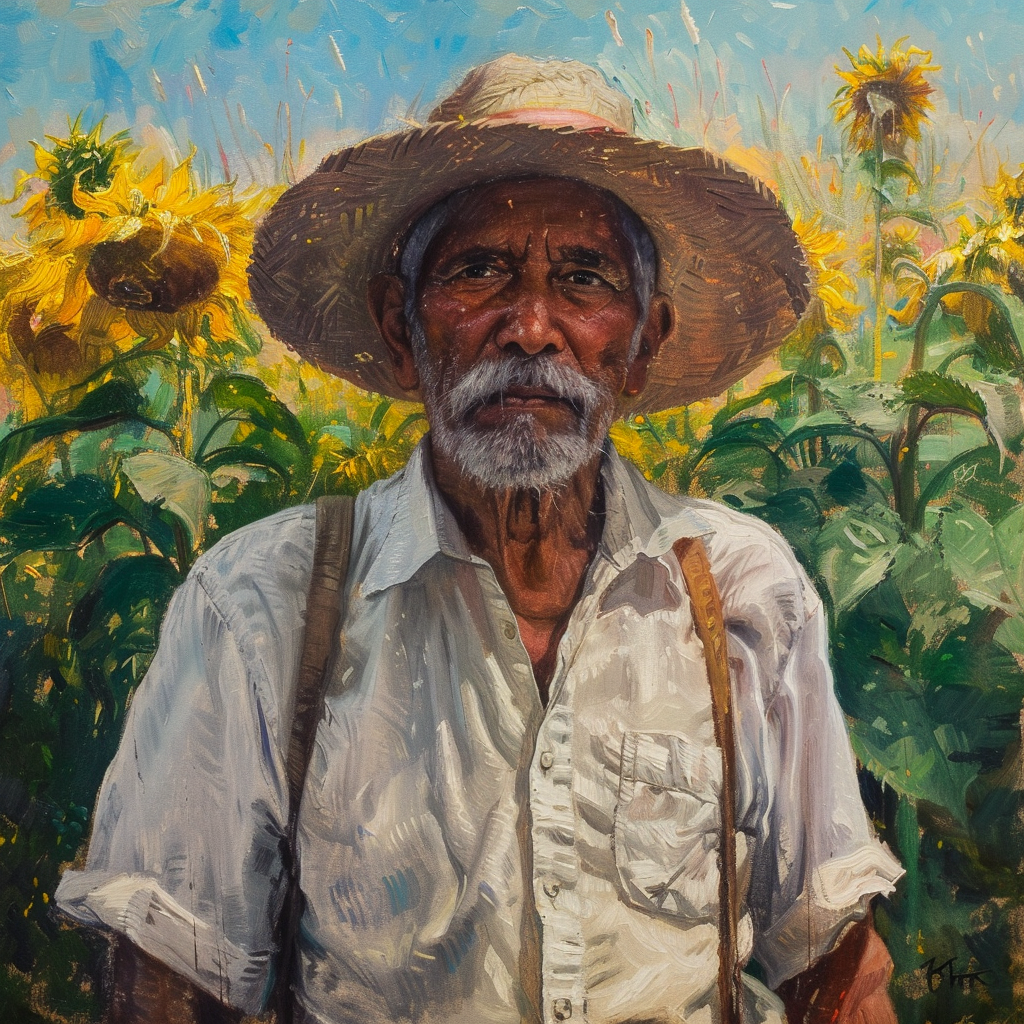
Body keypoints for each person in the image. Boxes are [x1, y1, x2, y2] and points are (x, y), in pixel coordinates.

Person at [55, 54, 904, 1024]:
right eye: (479, 270)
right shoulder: (260, 601)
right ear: (399, 324)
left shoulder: (740, 586)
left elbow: (832, 966)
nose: (530, 327)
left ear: (642, 344)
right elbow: (165, 984)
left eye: (582, 279)